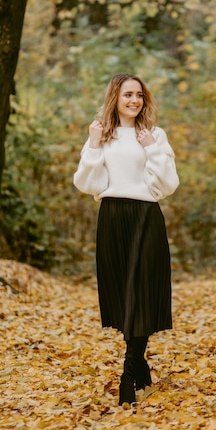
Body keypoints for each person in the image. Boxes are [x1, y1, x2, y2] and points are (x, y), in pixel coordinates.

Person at [73, 73, 180, 406]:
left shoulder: (155, 136)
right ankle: (142, 366)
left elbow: (168, 184)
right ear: (115, 99)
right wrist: (92, 146)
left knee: (143, 292)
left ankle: (128, 375)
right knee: (123, 295)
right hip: (113, 218)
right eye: (127, 95)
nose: (134, 100)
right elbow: (87, 183)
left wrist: (151, 150)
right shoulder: (101, 135)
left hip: (146, 217)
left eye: (138, 95)